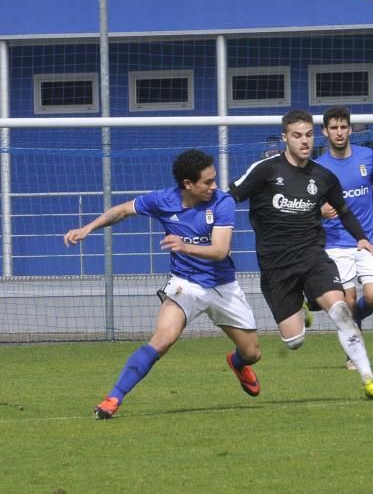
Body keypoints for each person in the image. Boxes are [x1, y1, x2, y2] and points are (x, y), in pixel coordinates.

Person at [63, 149, 263, 419]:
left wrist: (184, 245)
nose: (214, 186)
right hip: (185, 284)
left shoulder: (222, 202)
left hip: (223, 287)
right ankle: (113, 398)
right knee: (163, 339)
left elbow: (220, 250)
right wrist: (88, 228)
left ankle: (237, 363)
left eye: (214, 179)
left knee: (252, 353)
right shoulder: (163, 200)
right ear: (188, 184)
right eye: (208, 182)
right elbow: (121, 211)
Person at [228, 109, 373, 400]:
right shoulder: (265, 169)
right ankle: (238, 361)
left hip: (314, 255)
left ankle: (369, 378)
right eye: (296, 135)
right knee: (294, 341)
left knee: (341, 310)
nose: (304, 141)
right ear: (285, 138)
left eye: (308, 135)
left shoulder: (323, 176)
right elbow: (231, 197)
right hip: (276, 266)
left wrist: (362, 239)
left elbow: (343, 212)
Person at [316, 106, 373, 368]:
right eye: (334, 128)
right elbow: (308, 204)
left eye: (344, 127)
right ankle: (352, 351)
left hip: (370, 240)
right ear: (325, 132)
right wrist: (320, 210)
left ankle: (351, 323)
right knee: (349, 299)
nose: (339, 132)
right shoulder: (318, 167)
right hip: (336, 243)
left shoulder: (367, 157)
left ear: (350, 129)